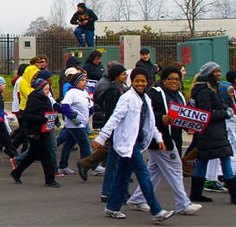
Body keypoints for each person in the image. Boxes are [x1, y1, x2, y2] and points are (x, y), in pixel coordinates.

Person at [93, 68, 174, 222]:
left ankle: (112, 207)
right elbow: (114, 118)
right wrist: (101, 137)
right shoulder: (126, 98)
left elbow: (150, 123)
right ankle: (156, 210)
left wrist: (159, 139)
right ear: (131, 81)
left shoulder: (146, 99)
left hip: (137, 141)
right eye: (137, 81)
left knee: (122, 176)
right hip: (127, 143)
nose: (140, 84)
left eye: (143, 81)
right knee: (143, 174)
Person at [125, 66, 202, 215]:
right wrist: (162, 118)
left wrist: (187, 127)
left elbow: (181, 117)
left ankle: (138, 199)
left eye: (177, 79)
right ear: (163, 79)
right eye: (170, 79)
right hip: (160, 139)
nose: (174, 82)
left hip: (172, 137)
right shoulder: (155, 94)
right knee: (175, 170)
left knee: (155, 171)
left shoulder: (178, 95)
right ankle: (183, 203)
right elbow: (149, 113)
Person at [189, 62, 236, 205]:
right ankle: (235, 194)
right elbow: (207, 113)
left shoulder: (208, 88)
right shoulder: (206, 91)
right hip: (212, 132)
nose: (218, 74)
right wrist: (225, 113)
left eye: (219, 71)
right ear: (209, 73)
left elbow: (214, 106)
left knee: (203, 161)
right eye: (216, 71)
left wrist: (224, 108)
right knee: (224, 159)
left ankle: (196, 193)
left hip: (209, 133)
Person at [76, 65, 127, 203]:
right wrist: (109, 130)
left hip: (120, 128)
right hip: (114, 127)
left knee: (111, 154)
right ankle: (113, 190)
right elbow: (112, 112)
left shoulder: (121, 87)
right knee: (114, 158)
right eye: (123, 74)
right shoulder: (112, 89)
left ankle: (86, 164)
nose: (125, 76)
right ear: (116, 75)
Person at [9, 78, 59, 188]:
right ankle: (50, 179)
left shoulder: (45, 99)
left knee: (32, 155)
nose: (48, 91)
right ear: (39, 89)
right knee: (46, 156)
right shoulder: (34, 99)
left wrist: (53, 118)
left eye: (48, 89)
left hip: (43, 131)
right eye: (46, 89)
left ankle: (16, 173)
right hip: (34, 132)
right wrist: (42, 119)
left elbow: (49, 111)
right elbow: (27, 115)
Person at [57, 73, 95, 175]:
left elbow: (90, 106)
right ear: (76, 82)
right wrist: (73, 118)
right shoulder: (72, 92)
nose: (85, 82)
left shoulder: (84, 92)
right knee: (85, 144)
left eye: (85, 80)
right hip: (76, 125)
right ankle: (94, 165)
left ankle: (63, 165)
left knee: (68, 144)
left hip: (82, 123)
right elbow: (64, 106)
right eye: (82, 80)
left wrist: (90, 111)